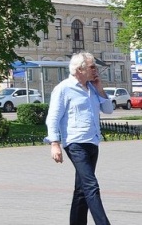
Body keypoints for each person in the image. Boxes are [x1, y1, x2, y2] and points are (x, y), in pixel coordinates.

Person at [45, 52, 114, 225]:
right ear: (79, 69)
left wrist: (99, 88)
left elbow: (108, 110)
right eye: (92, 67)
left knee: (82, 190)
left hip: (92, 141)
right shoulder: (63, 88)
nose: (95, 70)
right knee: (91, 186)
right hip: (75, 143)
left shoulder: (91, 88)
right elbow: (53, 117)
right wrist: (55, 144)